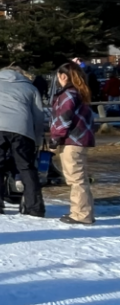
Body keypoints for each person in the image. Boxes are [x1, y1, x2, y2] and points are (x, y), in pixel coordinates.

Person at [0, 67, 47, 217]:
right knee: (26, 167)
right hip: (22, 129)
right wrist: (37, 138)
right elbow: (39, 116)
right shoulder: (29, 88)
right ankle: (34, 207)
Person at [51, 63, 98, 225]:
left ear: (63, 76)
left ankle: (82, 215)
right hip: (80, 140)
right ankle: (81, 211)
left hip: (72, 141)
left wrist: (55, 138)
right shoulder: (80, 93)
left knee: (76, 179)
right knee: (79, 178)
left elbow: (63, 119)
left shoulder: (69, 94)